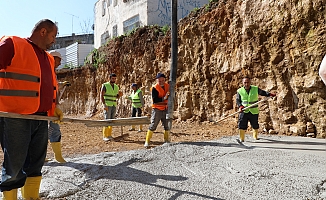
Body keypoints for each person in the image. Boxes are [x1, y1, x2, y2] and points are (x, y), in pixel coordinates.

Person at [0, 19, 63, 199]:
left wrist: (54, 108)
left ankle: (31, 197)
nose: (54, 41)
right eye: (53, 36)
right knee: (14, 166)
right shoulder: (14, 43)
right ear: (43, 32)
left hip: (41, 118)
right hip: (15, 117)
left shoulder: (48, 58)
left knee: (36, 164)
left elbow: (51, 87)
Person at [47, 50, 71, 163]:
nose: (60, 63)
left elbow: (54, 87)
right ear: (53, 58)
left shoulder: (52, 73)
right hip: (44, 108)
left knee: (54, 129)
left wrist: (62, 84)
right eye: (59, 60)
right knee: (42, 133)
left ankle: (58, 156)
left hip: (52, 107)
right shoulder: (45, 71)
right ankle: (40, 157)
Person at [236, 76, 276, 142]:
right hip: (244, 110)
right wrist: (240, 106)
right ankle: (242, 138)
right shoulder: (240, 91)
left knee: (254, 124)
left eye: (248, 82)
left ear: (250, 82)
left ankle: (255, 136)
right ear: (242, 83)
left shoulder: (255, 89)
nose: (246, 84)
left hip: (253, 110)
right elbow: (238, 100)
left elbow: (263, 93)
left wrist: (270, 94)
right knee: (242, 124)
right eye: (245, 82)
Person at [144, 73, 170, 148]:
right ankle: (147, 141)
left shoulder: (167, 86)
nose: (161, 82)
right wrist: (164, 98)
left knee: (166, 126)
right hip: (157, 109)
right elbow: (155, 100)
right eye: (159, 80)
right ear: (157, 80)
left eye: (163, 80)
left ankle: (166, 140)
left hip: (165, 108)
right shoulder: (155, 88)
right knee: (153, 125)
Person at [100, 73, 122, 141]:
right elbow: (101, 95)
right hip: (107, 104)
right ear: (109, 78)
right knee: (107, 119)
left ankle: (109, 135)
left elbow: (116, 96)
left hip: (114, 104)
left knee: (112, 120)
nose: (114, 80)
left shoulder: (116, 86)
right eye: (112, 78)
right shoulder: (105, 85)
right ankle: (105, 136)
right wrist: (104, 105)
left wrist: (120, 95)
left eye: (115, 78)